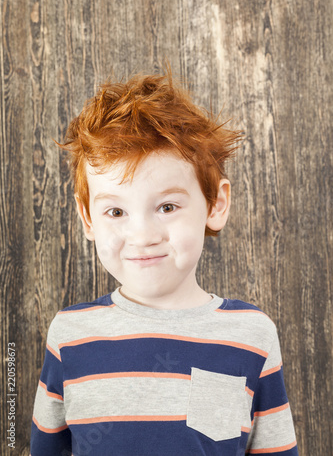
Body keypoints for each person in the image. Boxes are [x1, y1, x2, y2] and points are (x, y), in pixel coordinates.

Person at [30, 68, 298, 455]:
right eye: (116, 213)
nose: (142, 235)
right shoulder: (69, 335)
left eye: (167, 206)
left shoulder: (251, 336)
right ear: (87, 217)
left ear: (215, 204)